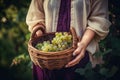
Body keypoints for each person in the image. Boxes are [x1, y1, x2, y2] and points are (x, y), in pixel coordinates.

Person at [26, 0, 111, 80]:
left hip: (79, 56)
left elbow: (99, 19)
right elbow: (36, 15)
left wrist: (83, 43)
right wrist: (39, 37)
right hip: (46, 61)